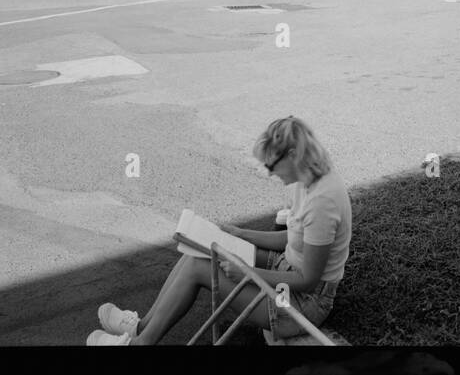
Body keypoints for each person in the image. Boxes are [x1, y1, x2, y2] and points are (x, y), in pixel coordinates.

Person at [88, 116, 351, 346]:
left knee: (199, 268)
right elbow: (294, 238)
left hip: (302, 302)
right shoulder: (303, 179)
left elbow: (308, 280)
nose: (270, 173)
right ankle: (141, 327)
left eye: (272, 166)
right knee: (197, 250)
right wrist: (240, 234)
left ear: (293, 155)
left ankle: (141, 343)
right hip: (287, 270)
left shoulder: (322, 202)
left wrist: (246, 272)